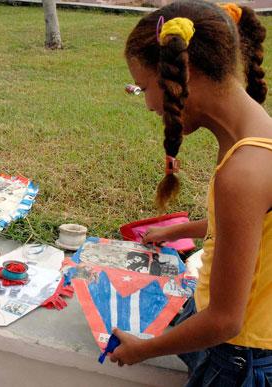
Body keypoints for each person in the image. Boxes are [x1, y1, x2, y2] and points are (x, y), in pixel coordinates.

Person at [110, 1, 272, 384]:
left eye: (146, 87)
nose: (149, 104)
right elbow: (248, 228)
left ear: (185, 72)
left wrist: (141, 350)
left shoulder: (244, 172)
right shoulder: (254, 140)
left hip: (237, 357)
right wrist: (176, 231)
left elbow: (224, 320)